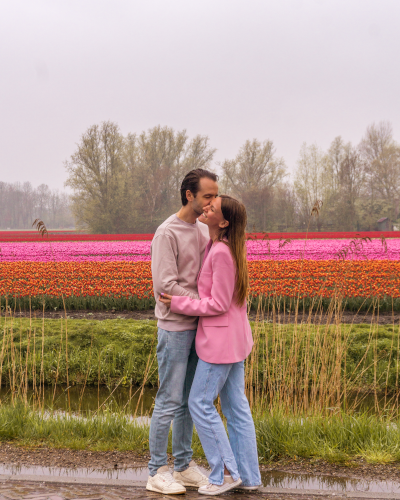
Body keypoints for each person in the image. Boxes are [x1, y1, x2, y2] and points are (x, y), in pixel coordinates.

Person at [160, 195, 261, 496]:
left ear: (225, 221)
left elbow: (217, 303)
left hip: (219, 342)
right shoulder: (225, 247)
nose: (206, 208)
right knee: (235, 407)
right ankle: (249, 476)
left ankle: (224, 474)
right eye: (208, 203)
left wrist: (179, 302)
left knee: (199, 404)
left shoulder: (220, 252)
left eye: (212, 208)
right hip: (235, 340)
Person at [146, 168, 219, 495]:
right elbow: (165, 286)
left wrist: (201, 303)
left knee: (190, 399)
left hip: (200, 327)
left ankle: (184, 465)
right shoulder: (167, 233)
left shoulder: (204, 231)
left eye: (215, 196)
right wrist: (204, 301)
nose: (212, 202)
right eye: (207, 196)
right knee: (169, 398)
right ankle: (156, 470)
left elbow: (195, 281)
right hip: (175, 328)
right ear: (189, 195)